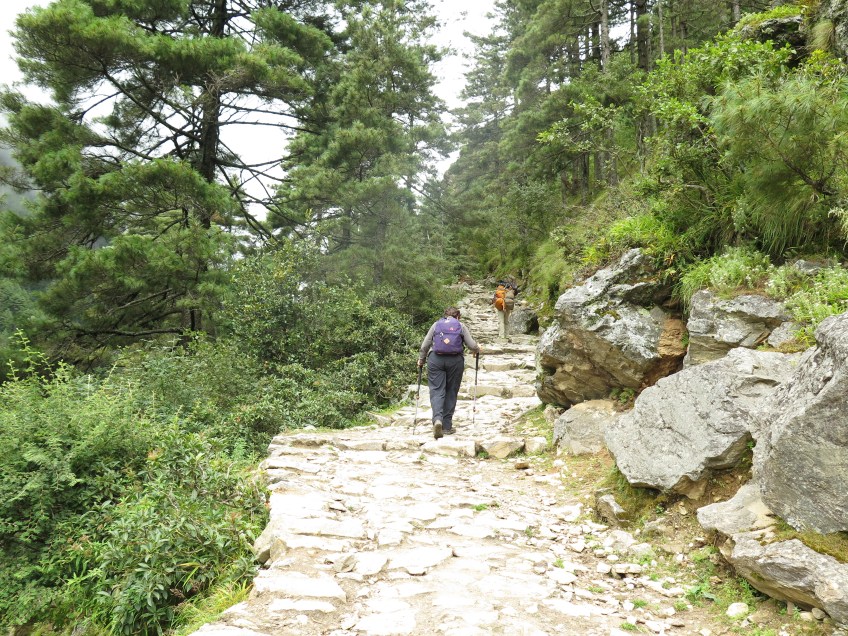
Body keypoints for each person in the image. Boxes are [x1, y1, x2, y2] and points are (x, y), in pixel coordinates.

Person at [418, 307, 481, 439]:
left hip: (436, 359)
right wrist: (477, 348)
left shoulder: (436, 325)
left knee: (436, 391)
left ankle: (437, 420)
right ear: (458, 316)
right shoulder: (461, 326)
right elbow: (471, 345)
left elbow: (425, 344)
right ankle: (447, 426)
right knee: (451, 391)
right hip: (455, 361)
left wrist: (421, 359)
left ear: (445, 315)